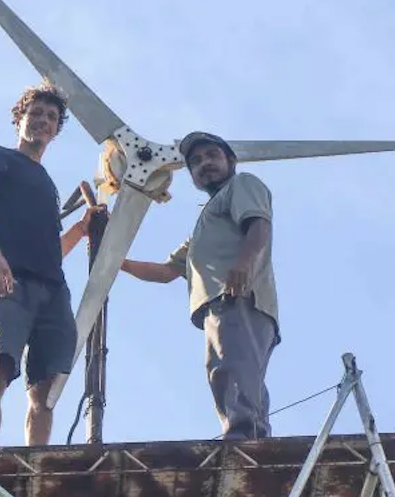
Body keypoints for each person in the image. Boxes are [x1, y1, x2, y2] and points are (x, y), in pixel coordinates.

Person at [0, 81, 97, 464]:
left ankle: (34, 468)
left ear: (57, 130)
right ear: (19, 118)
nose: (43, 121)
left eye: (51, 117)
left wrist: (84, 225)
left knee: (45, 391)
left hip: (53, 290)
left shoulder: (49, 185)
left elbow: (52, 251)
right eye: (36, 113)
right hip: (9, 280)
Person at [120, 131, 280, 440]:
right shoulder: (208, 222)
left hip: (237, 296)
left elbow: (259, 226)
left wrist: (242, 266)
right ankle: (251, 436)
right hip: (223, 303)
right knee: (234, 372)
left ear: (230, 160)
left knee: (231, 369)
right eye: (195, 161)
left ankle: (243, 438)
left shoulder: (242, 184)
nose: (204, 164)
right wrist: (113, 262)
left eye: (212, 156)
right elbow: (167, 271)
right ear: (191, 176)